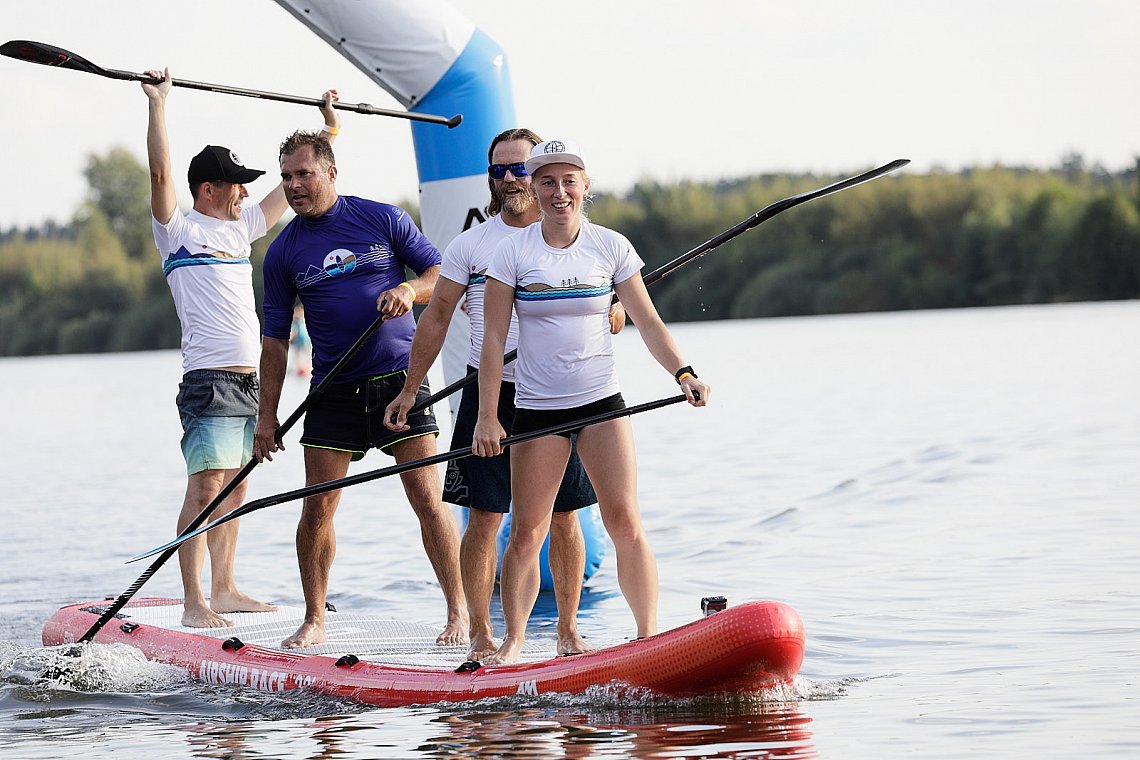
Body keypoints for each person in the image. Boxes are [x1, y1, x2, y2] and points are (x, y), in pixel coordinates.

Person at [384, 128, 625, 661]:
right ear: (491, 181)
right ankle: (480, 633)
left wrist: (615, 308)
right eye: (501, 171)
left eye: (521, 168)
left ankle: (568, 632)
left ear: (540, 176)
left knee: (565, 516)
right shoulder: (472, 245)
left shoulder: (576, 236)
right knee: (486, 514)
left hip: (564, 396)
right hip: (490, 398)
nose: (512, 178)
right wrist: (408, 390)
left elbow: (611, 296)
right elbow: (437, 317)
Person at [472, 139, 711, 665]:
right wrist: (487, 416)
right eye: (547, 182)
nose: (559, 192)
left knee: (625, 520)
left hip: (602, 403)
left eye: (568, 181)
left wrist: (683, 372)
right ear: (534, 190)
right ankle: (513, 644)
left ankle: (649, 637)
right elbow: (491, 341)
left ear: (585, 186)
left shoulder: (610, 246)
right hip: (537, 411)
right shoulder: (510, 254)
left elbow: (647, 320)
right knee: (528, 532)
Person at [255, 130, 467, 649]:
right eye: (286, 177)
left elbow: (440, 274)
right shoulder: (283, 253)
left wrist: (406, 289)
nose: (294, 185)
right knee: (318, 508)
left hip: (400, 380)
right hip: (333, 391)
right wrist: (265, 418)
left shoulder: (382, 217)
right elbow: (276, 343)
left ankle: (459, 613)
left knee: (427, 497)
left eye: (303, 174)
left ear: (331, 172)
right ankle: (314, 618)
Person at [143, 67, 340, 628]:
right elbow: (160, 171)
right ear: (208, 190)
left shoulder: (239, 228)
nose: (247, 191)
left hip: (250, 382)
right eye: (236, 183)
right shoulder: (178, 230)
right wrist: (159, 104)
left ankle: (225, 587)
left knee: (236, 483)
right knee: (205, 486)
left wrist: (329, 126)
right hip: (208, 381)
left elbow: (298, 184)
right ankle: (193, 603)